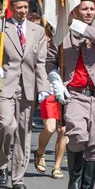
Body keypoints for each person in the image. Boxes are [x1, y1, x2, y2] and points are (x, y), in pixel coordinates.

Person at [46, 0, 95, 189]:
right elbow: (50, 61)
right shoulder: (62, 35)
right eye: (84, 8)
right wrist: (56, 80)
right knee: (77, 136)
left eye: (92, 9)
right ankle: (74, 178)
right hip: (75, 94)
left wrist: (75, 24)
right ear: (75, 10)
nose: (89, 12)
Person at [0, 0, 50, 189]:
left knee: (23, 132)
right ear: (11, 8)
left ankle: (18, 177)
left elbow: (41, 63)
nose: (23, 11)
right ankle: (1, 163)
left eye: (26, 7)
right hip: (6, 84)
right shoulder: (1, 26)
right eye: (19, 7)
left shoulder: (37, 31)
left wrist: (43, 87)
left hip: (28, 87)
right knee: (6, 125)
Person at [34, 24, 66, 180]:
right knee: (50, 127)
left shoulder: (68, 43)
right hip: (48, 90)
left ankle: (57, 166)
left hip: (66, 91)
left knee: (63, 131)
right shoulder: (41, 48)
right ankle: (40, 151)